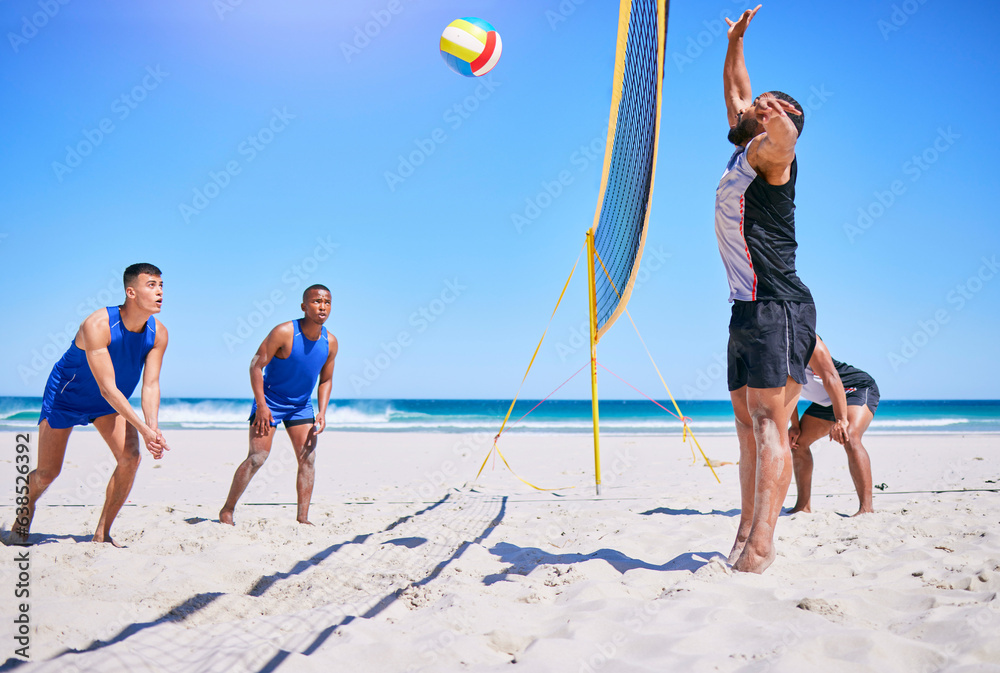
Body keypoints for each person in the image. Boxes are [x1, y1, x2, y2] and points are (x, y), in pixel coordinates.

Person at [715, 6, 819, 573]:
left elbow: (787, 139)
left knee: (767, 425)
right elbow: (736, 87)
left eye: (754, 111)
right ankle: (743, 531)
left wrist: (777, 116)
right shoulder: (741, 146)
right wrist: (736, 42)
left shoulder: (769, 159)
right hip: (746, 309)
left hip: (779, 305)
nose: (742, 109)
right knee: (745, 432)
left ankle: (762, 546)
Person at [11, 263, 169, 547]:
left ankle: (102, 535)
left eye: (161, 285)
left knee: (130, 458)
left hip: (107, 405)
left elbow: (150, 385)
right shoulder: (98, 324)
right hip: (66, 397)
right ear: (130, 292)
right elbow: (108, 389)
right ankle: (24, 513)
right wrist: (143, 429)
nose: (159, 292)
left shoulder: (158, 334)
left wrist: (153, 429)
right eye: (151, 285)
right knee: (48, 473)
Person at [220, 285, 338, 526]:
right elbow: (255, 365)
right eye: (316, 301)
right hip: (271, 401)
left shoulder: (331, 342)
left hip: (301, 406)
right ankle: (227, 510)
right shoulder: (284, 332)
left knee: (308, 459)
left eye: (326, 302)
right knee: (257, 458)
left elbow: (325, 380)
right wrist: (261, 405)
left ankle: (303, 518)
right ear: (304, 306)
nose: (322, 306)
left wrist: (323, 412)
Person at [789, 336, 879, 516]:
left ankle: (866, 508)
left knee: (850, 436)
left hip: (854, 388)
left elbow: (831, 379)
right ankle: (802, 506)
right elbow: (787, 393)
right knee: (798, 443)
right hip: (827, 401)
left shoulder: (806, 340)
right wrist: (794, 425)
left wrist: (840, 419)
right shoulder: (773, 356)